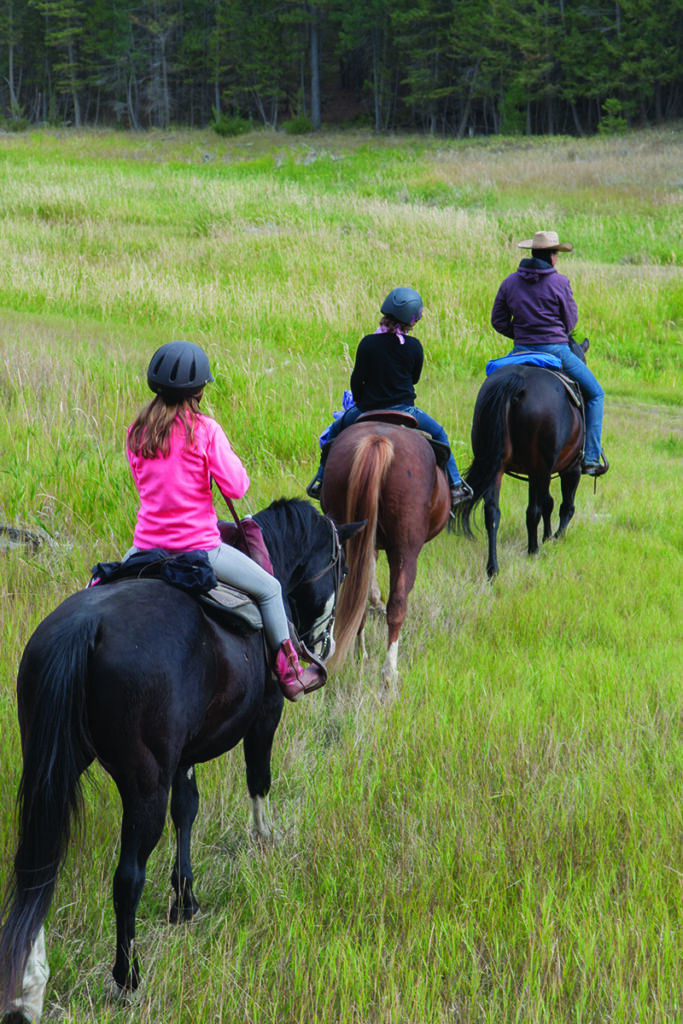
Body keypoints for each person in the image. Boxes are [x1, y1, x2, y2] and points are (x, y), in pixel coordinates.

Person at [126, 340, 322, 702]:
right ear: (199, 389)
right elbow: (236, 486)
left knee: (105, 583)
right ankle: (290, 673)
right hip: (199, 547)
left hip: (145, 545)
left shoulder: (137, 431)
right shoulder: (206, 430)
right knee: (270, 589)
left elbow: (144, 483)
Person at [306, 288, 472, 508]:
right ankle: (456, 485)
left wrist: (358, 400)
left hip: (366, 409)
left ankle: (320, 480)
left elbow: (357, 380)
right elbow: (414, 379)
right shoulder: (414, 347)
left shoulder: (368, 343)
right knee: (440, 433)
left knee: (334, 433)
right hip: (406, 410)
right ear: (412, 321)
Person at [490, 229, 608, 476]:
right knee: (596, 394)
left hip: (519, 350)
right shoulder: (560, 282)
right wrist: (548, 334)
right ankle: (591, 457)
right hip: (556, 351)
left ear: (533, 252)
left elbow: (498, 321)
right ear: (553, 256)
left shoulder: (510, 282)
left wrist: (523, 333)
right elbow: (570, 323)